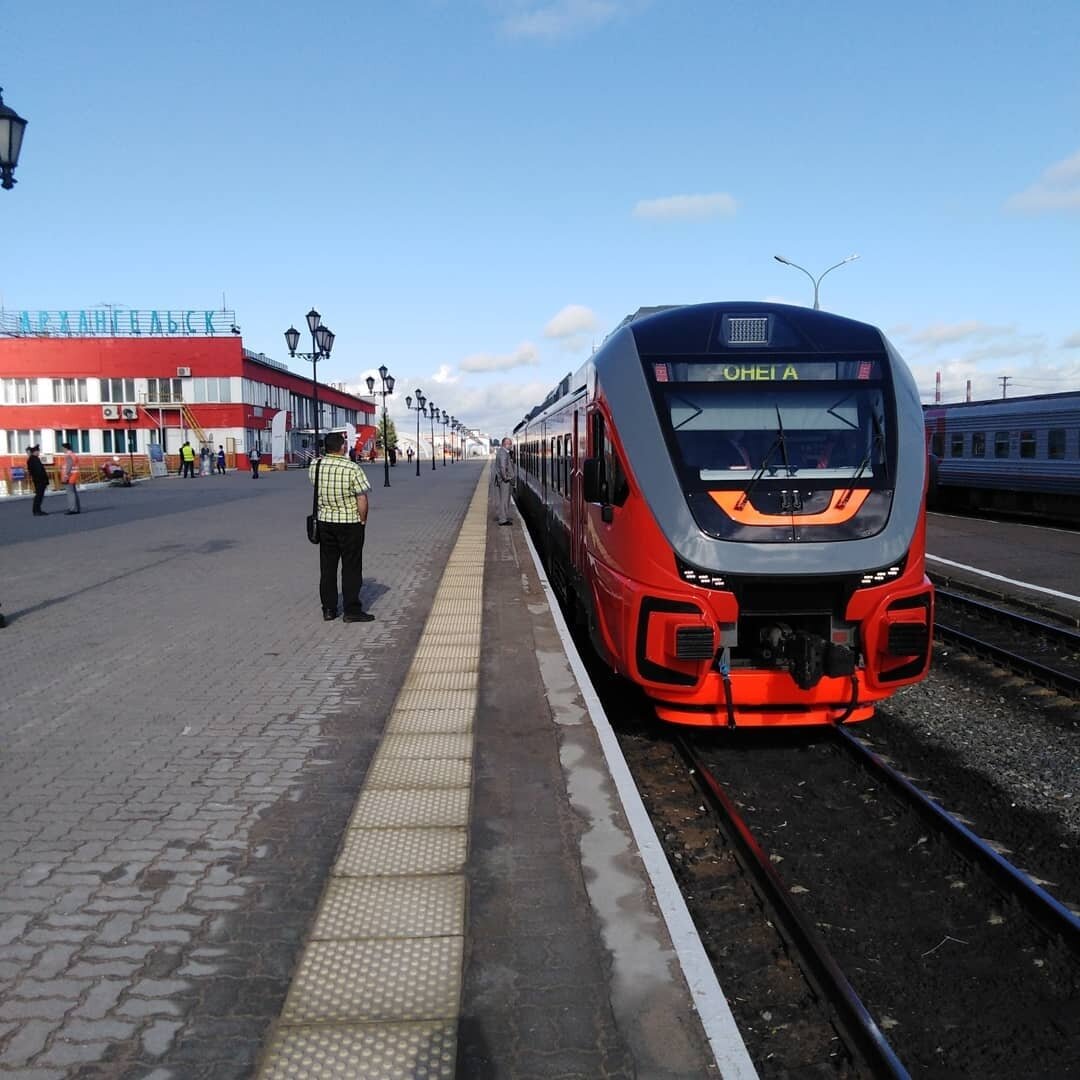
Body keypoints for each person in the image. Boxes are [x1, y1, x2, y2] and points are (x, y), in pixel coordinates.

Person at [310, 431, 373, 623]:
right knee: (351, 566)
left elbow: (315, 485)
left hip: (325, 522)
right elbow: (361, 497)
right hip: (349, 523)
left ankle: (329, 609)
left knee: (327, 566)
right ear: (343, 447)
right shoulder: (352, 468)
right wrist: (363, 520)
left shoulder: (316, 465)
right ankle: (351, 610)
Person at [494, 436, 514, 525]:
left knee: (504, 499)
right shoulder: (503, 453)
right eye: (510, 444)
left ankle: (504, 517)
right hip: (504, 481)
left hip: (502, 480)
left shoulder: (502, 452)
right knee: (504, 500)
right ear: (506, 444)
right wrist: (505, 478)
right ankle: (503, 520)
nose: (511, 445)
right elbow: (502, 466)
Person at [60, 441, 81, 515]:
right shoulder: (73, 454)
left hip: (69, 476)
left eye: (62, 448)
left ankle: (72, 509)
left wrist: (66, 476)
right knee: (74, 492)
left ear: (65, 448)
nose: (62, 450)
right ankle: (77, 508)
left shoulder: (68, 455)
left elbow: (69, 466)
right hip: (73, 475)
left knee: (70, 493)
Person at [27, 445, 49, 516]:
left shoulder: (32, 459)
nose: (39, 452)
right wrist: (44, 480)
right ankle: (37, 511)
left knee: (39, 496)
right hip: (40, 481)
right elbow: (39, 471)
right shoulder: (34, 459)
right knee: (39, 496)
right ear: (35, 452)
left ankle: (37, 510)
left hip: (37, 480)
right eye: (38, 451)